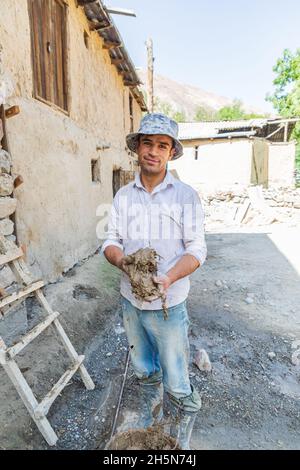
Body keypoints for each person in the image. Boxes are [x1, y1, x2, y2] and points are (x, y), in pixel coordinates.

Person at [101, 113, 207, 449]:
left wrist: (170, 276)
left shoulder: (185, 196)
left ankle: (180, 442)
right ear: (138, 148)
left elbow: (198, 250)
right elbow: (110, 241)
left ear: (171, 152)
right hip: (131, 303)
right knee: (145, 371)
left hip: (169, 305)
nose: (154, 151)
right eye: (148, 143)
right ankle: (152, 428)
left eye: (162, 145)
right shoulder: (123, 197)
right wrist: (125, 263)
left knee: (177, 383)